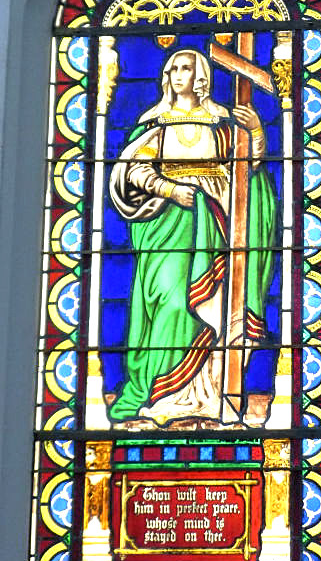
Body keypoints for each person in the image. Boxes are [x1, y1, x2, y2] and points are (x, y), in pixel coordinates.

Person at [106, 49, 277, 426]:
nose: (180, 74)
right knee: (170, 301)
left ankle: (208, 397)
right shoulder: (155, 123)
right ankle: (163, 395)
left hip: (216, 222)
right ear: (166, 77)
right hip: (167, 223)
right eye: (174, 69)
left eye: (188, 68)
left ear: (202, 76)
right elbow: (132, 171)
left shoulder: (222, 124)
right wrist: (170, 189)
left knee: (219, 305)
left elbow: (249, 169)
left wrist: (255, 131)